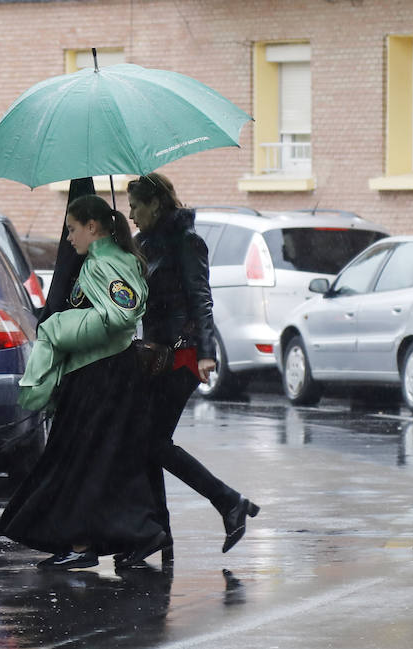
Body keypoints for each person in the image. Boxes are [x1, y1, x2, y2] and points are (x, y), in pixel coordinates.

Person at [0, 194, 168, 570]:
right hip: (104, 374)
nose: (69, 238)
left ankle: (82, 544)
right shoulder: (108, 260)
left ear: (93, 227)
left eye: (72, 229)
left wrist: (60, 328)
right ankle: (131, 534)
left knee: (78, 460)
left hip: (99, 375)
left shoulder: (102, 264)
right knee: (102, 460)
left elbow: (120, 317)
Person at [119, 173, 259, 567]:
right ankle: (161, 531)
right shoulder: (142, 244)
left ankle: (225, 502)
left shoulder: (187, 240)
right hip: (154, 356)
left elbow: (202, 298)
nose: (130, 214)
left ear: (156, 204)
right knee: (149, 444)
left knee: (151, 443)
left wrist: (206, 353)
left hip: (182, 356)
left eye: (136, 206)